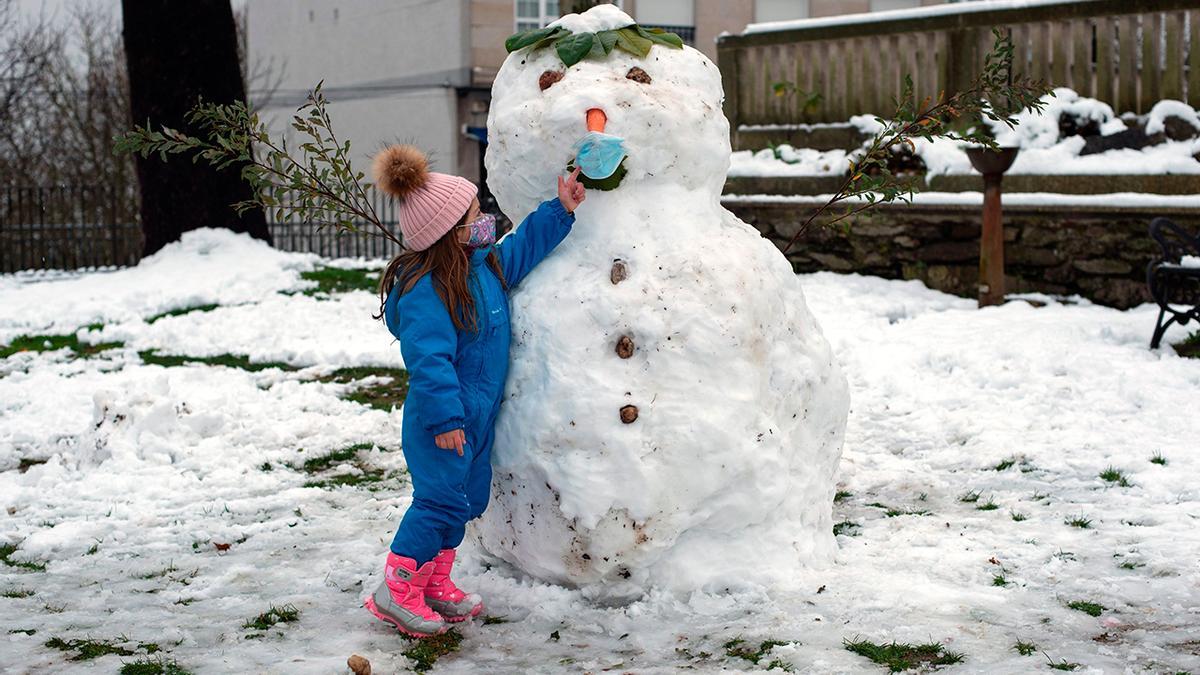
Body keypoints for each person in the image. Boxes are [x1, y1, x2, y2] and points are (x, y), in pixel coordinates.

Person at [362, 145, 586, 638]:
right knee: (437, 502)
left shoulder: (482, 268)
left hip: (476, 416)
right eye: (473, 215)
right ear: (448, 232)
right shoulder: (427, 289)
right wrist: (445, 421)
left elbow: (521, 248)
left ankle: (433, 581)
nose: (483, 219)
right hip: (441, 421)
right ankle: (395, 591)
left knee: (463, 501)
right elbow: (429, 361)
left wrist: (561, 209)